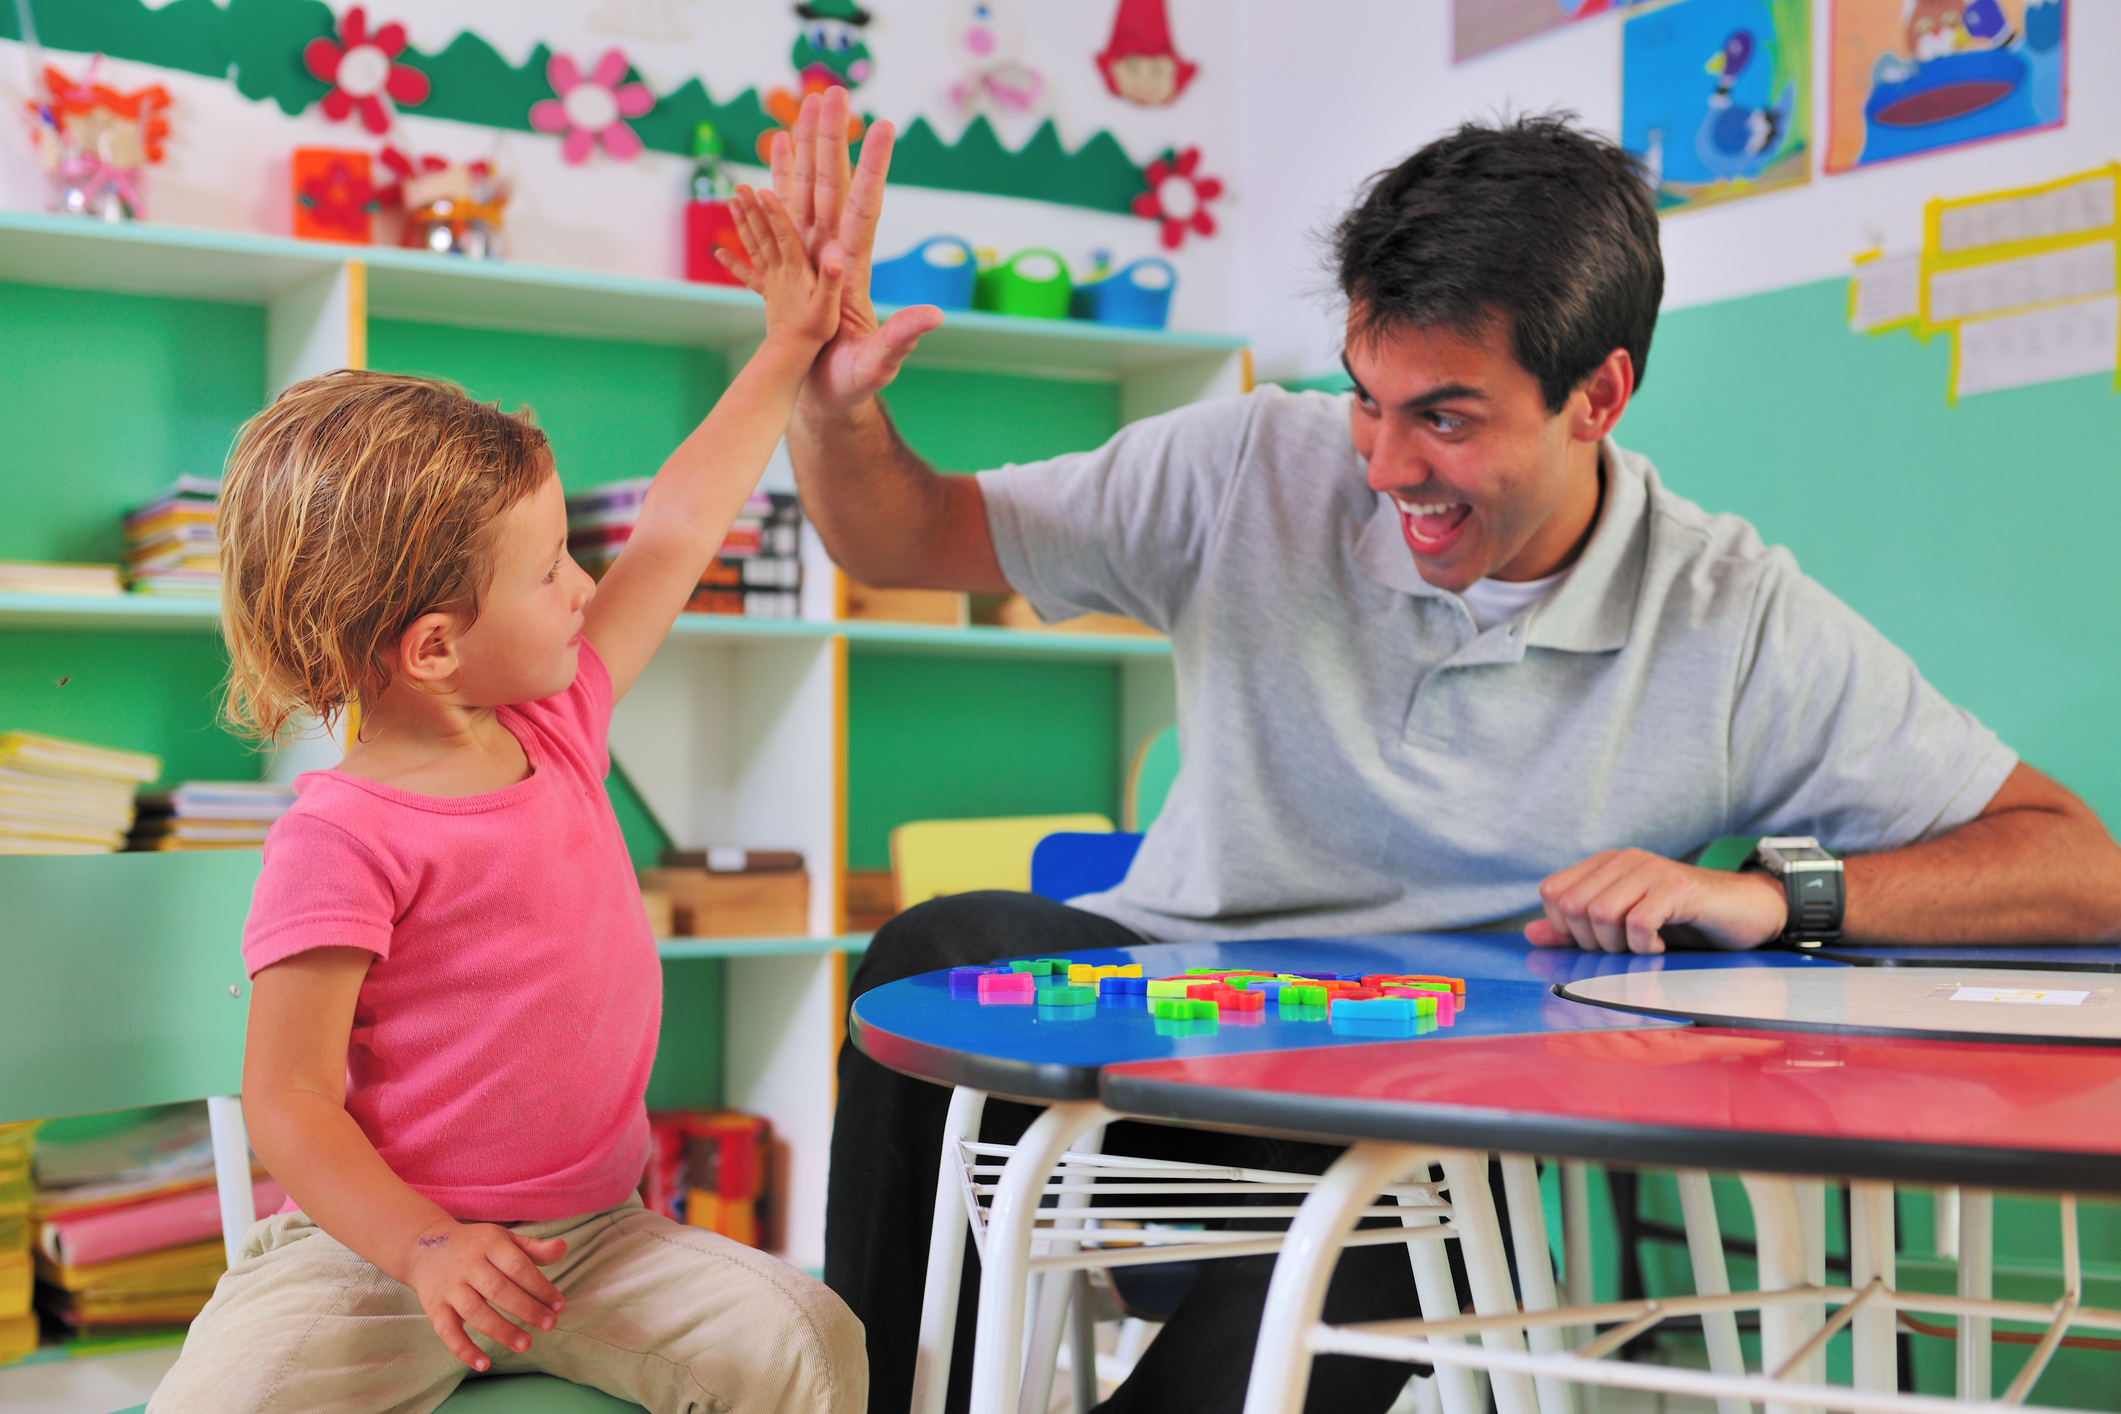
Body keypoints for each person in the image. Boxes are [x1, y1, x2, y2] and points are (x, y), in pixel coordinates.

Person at [767, 96, 2121, 1413]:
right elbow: (905, 539)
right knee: (929, 958)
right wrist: (829, 411)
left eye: (1447, 418)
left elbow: (2077, 867)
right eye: (1368, 398)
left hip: (1416, 1113)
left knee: (1392, 1227)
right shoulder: (1247, 465)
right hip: (1179, 1020)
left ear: (1597, 394)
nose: (1384, 461)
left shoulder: (1726, 614)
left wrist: (1778, 895)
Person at [150, 116, 872, 1414]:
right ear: (432, 647)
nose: (584, 583)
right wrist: (420, 1243)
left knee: (806, 1336)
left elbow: (679, 525)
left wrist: (789, 342)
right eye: (547, 571)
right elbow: (292, 1095)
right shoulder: (340, 835)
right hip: (371, 1255)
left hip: (599, 1244)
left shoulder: (557, 719)